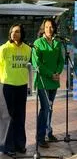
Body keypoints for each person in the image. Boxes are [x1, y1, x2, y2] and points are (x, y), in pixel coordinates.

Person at [32, 18, 64, 148]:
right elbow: (36, 63)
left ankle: (48, 132)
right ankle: (40, 137)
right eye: (46, 27)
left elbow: (61, 61)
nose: (49, 29)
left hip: (54, 81)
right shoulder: (37, 43)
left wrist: (57, 72)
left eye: (51, 27)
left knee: (50, 108)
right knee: (45, 108)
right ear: (43, 29)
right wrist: (50, 74)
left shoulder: (58, 43)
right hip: (43, 81)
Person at [0, 23, 31, 156]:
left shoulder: (28, 49)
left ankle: (20, 144)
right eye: (12, 31)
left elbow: (28, 67)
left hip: (22, 86)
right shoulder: (3, 49)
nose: (14, 34)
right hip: (7, 86)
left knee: (20, 116)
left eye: (17, 32)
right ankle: (8, 147)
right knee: (8, 117)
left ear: (22, 33)